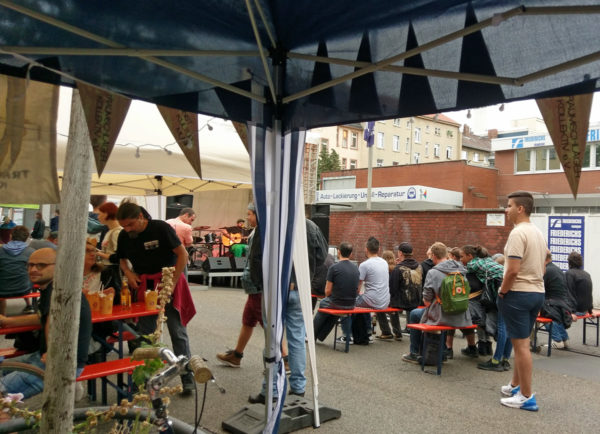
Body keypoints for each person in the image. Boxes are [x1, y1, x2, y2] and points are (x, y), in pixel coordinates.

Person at [115, 202, 196, 396]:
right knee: (146, 334)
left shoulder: (160, 227)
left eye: (130, 225)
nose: (127, 229)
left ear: (142, 217)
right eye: (124, 226)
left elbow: (182, 255)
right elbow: (121, 258)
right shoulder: (124, 236)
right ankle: (143, 379)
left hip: (169, 280)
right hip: (145, 286)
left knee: (177, 332)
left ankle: (187, 377)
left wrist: (172, 283)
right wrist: (129, 273)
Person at [248, 218, 327, 403]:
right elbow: (322, 256)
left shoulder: (270, 221)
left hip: (274, 289)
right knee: (297, 338)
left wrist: (260, 284)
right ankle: (298, 389)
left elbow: (255, 257)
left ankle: (271, 390)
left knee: (273, 340)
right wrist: (307, 274)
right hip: (299, 288)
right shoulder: (310, 225)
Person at [0, 248, 92, 399]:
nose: (33, 269)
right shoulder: (52, 287)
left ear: (59, 266)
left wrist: (52, 352)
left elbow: (52, 322)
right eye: (30, 265)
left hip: (61, 364)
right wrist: (8, 321)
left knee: (2, 390)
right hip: (42, 356)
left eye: (41, 265)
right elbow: (43, 317)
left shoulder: (58, 290)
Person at [216, 203, 289, 368]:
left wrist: (257, 281)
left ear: (258, 215)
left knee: (267, 323)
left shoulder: (264, 231)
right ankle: (237, 354)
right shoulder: (260, 230)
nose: (247, 217)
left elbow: (258, 259)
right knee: (248, 320)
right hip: (255, 285)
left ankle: (285, 359)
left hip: (258, 286)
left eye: (250, 214)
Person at [497, 191, 546, 411]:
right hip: (536, 292)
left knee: (522, 346)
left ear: (520, 208)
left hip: (518, 293)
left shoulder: (518, 233)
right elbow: (545, 263)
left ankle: (527, 397)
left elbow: (513, 270)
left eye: (508, 206)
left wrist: (503, 291)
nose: (505, 210)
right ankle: (515, 385)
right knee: (521, 343)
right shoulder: (537, 232)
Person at [402, 242, 472, 364]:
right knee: (430, 312)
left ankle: (414, 353)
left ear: (433, 255)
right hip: (462, 314)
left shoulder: (433, 272)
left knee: (414, 314)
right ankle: (442, 351)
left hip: (443, 316)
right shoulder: (461, 270)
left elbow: (427, 301)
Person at [313, 242, 360, 342]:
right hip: (351, 304)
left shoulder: (334, 268)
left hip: (336, 302)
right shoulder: (356, 268)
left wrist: (329, 296)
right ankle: (321, 336)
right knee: (334, 310)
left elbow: (327, 291)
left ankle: (311, 334)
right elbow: (357, 289)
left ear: (338, 252)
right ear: (351, 254)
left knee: (323, 304)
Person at [377, 242, 422, 341]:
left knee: (380, 306)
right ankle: (397, 333)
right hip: (416, 301)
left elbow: (392, 289)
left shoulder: (398, 269)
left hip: (402, 302)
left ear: (400, 253)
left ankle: (387, 332)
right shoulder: (419, 266)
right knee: (392, 303)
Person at [0, 226, 35, 315]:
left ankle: (2, 316)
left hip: (2, 290)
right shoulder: (31, 252)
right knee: (25, 275)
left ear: (11, 236)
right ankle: (30, 306)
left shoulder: (1, 250)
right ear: (26, 238)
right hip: (24, 288)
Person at [541, 251, 572, 349]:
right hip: (562, 303)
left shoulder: (547, 270)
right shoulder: (557, 269)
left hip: (551, 303)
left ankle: (557, 340)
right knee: (556, 318)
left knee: (545, 317)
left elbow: (540, 287)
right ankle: (564, 339)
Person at [95, 202, 123, 298]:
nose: (98, 217)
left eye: (99, 214)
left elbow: (119, 257)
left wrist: (99, 253)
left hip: (113, 272)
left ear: (106, 213)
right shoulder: (109, 232)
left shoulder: (117, 232)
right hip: (108, 270)